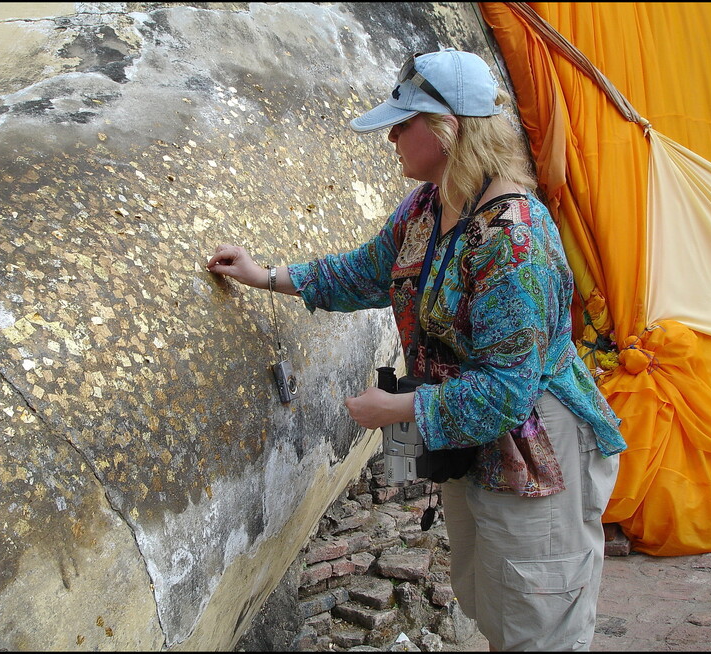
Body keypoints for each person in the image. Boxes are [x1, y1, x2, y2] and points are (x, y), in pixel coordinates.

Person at [207, 49, 626, 651]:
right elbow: (370, 270)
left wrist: (397, 410)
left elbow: (510, 390)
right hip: (469, 428)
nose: (393, 137)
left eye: (404, 124)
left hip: (535, 441)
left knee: (539, 614)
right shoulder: (430, 206)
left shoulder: (515, 240)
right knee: (488, 594)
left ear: (449, 129)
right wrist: (268, 275)